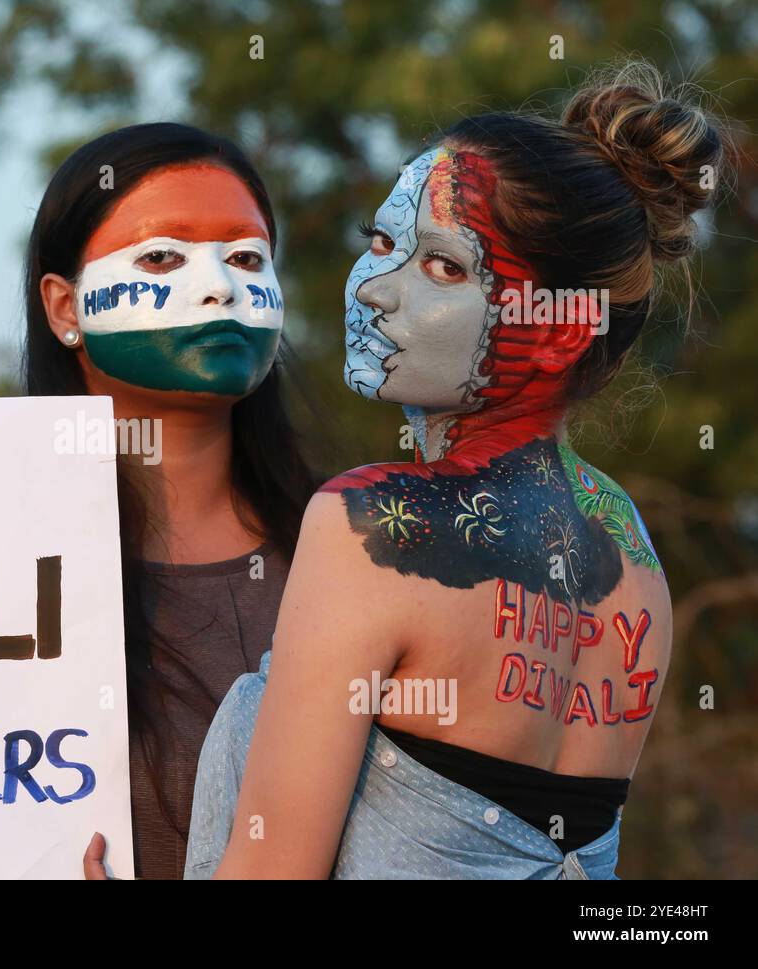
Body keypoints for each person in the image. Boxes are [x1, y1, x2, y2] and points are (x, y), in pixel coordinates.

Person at [185, 63, 727, 879]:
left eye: (443, 267)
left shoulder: (369, 524)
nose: (373, 288)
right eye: (380, 242)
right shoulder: (634, 552)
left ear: (555, 331)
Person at [19, 122, 320, 879]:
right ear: (65, 308)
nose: (219, 284)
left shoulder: (356, 553)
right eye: (162, 257)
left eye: (247, 257)